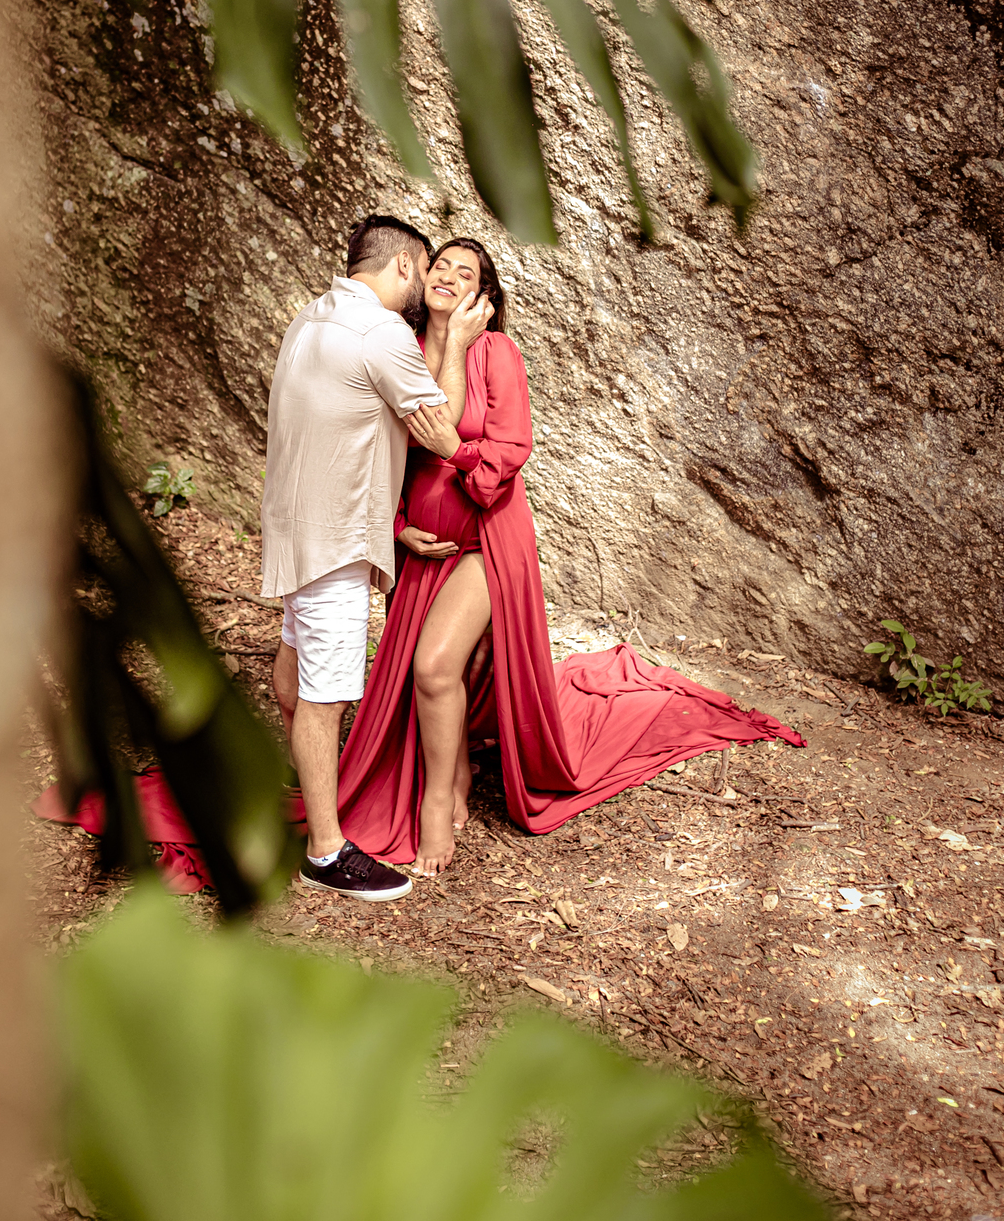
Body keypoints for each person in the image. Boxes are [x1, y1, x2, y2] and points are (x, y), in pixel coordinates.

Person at [335, 237, 805, 875]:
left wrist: (456, 448)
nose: (446, 275)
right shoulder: (404, 349)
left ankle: (436, 803)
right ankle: (461, 768)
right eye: (439, 264)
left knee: (436, 667)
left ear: (484, 298)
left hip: (487, 538)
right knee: (462, 666)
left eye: (464, 272)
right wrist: (395, 527)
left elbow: (509, 448)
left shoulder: (497, 353)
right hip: (422, 545)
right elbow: (379, 452)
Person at [261, 215, 491, 900]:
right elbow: (437, 423)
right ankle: (326, 851)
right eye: (427, 268)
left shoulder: (311, 317)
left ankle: (300, 780)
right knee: (325, 696)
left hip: (295, 529)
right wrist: (456, 342)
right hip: (335, 539)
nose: (431, 282)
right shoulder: (381, 331)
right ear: (402, 267)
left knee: (293, 665)